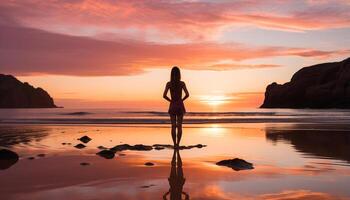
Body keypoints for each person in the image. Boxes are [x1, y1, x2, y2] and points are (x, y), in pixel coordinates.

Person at [163, 66, 189, 148]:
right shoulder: (182, 83)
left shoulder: (169, 84)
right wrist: (181, 100)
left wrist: (170, 100)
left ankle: (174, 144)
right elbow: (187, 94)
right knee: (180, 126)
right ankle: (178, 144)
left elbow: (164, 95)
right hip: (180, 104)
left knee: (173, 126)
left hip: (173, 104)